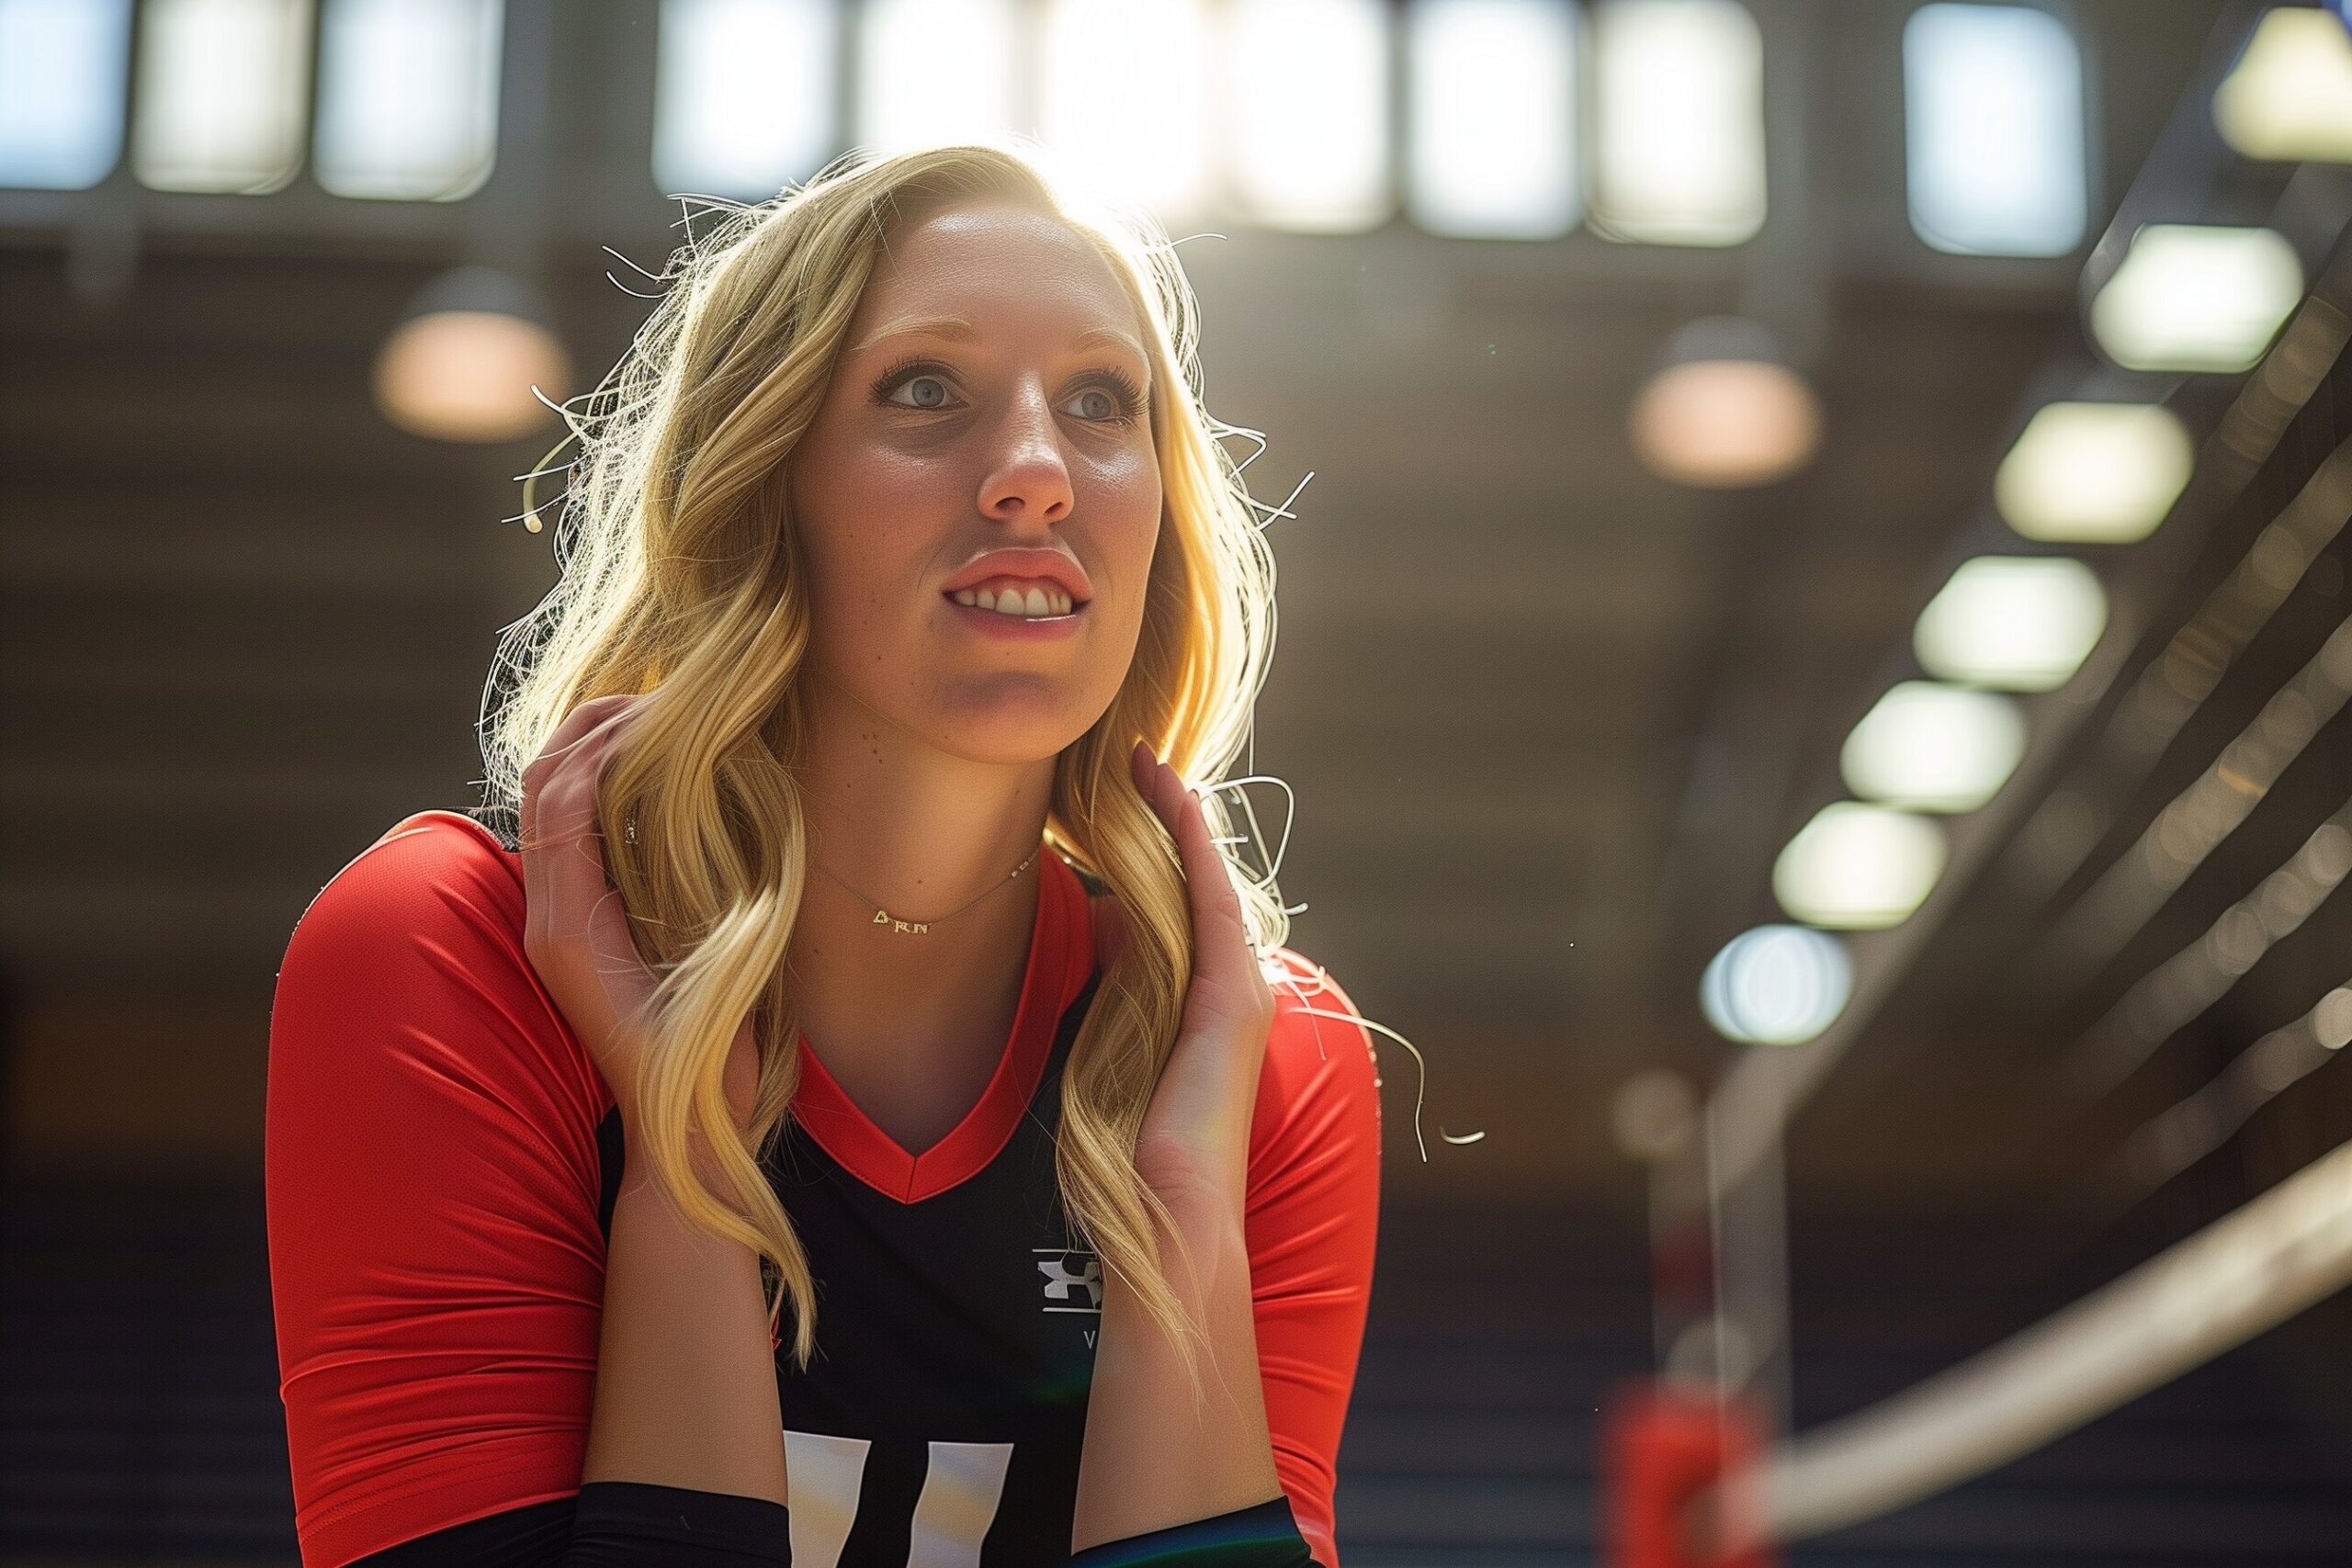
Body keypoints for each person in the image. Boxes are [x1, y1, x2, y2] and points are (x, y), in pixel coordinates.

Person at [265, 141, 1384, 1568]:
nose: (1038, 470)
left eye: (1102, 403)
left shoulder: (1262, 1065)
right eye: (927, 390)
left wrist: (1179, 1218)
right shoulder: (449, 955)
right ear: (761, 481)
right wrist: (684, 1152)